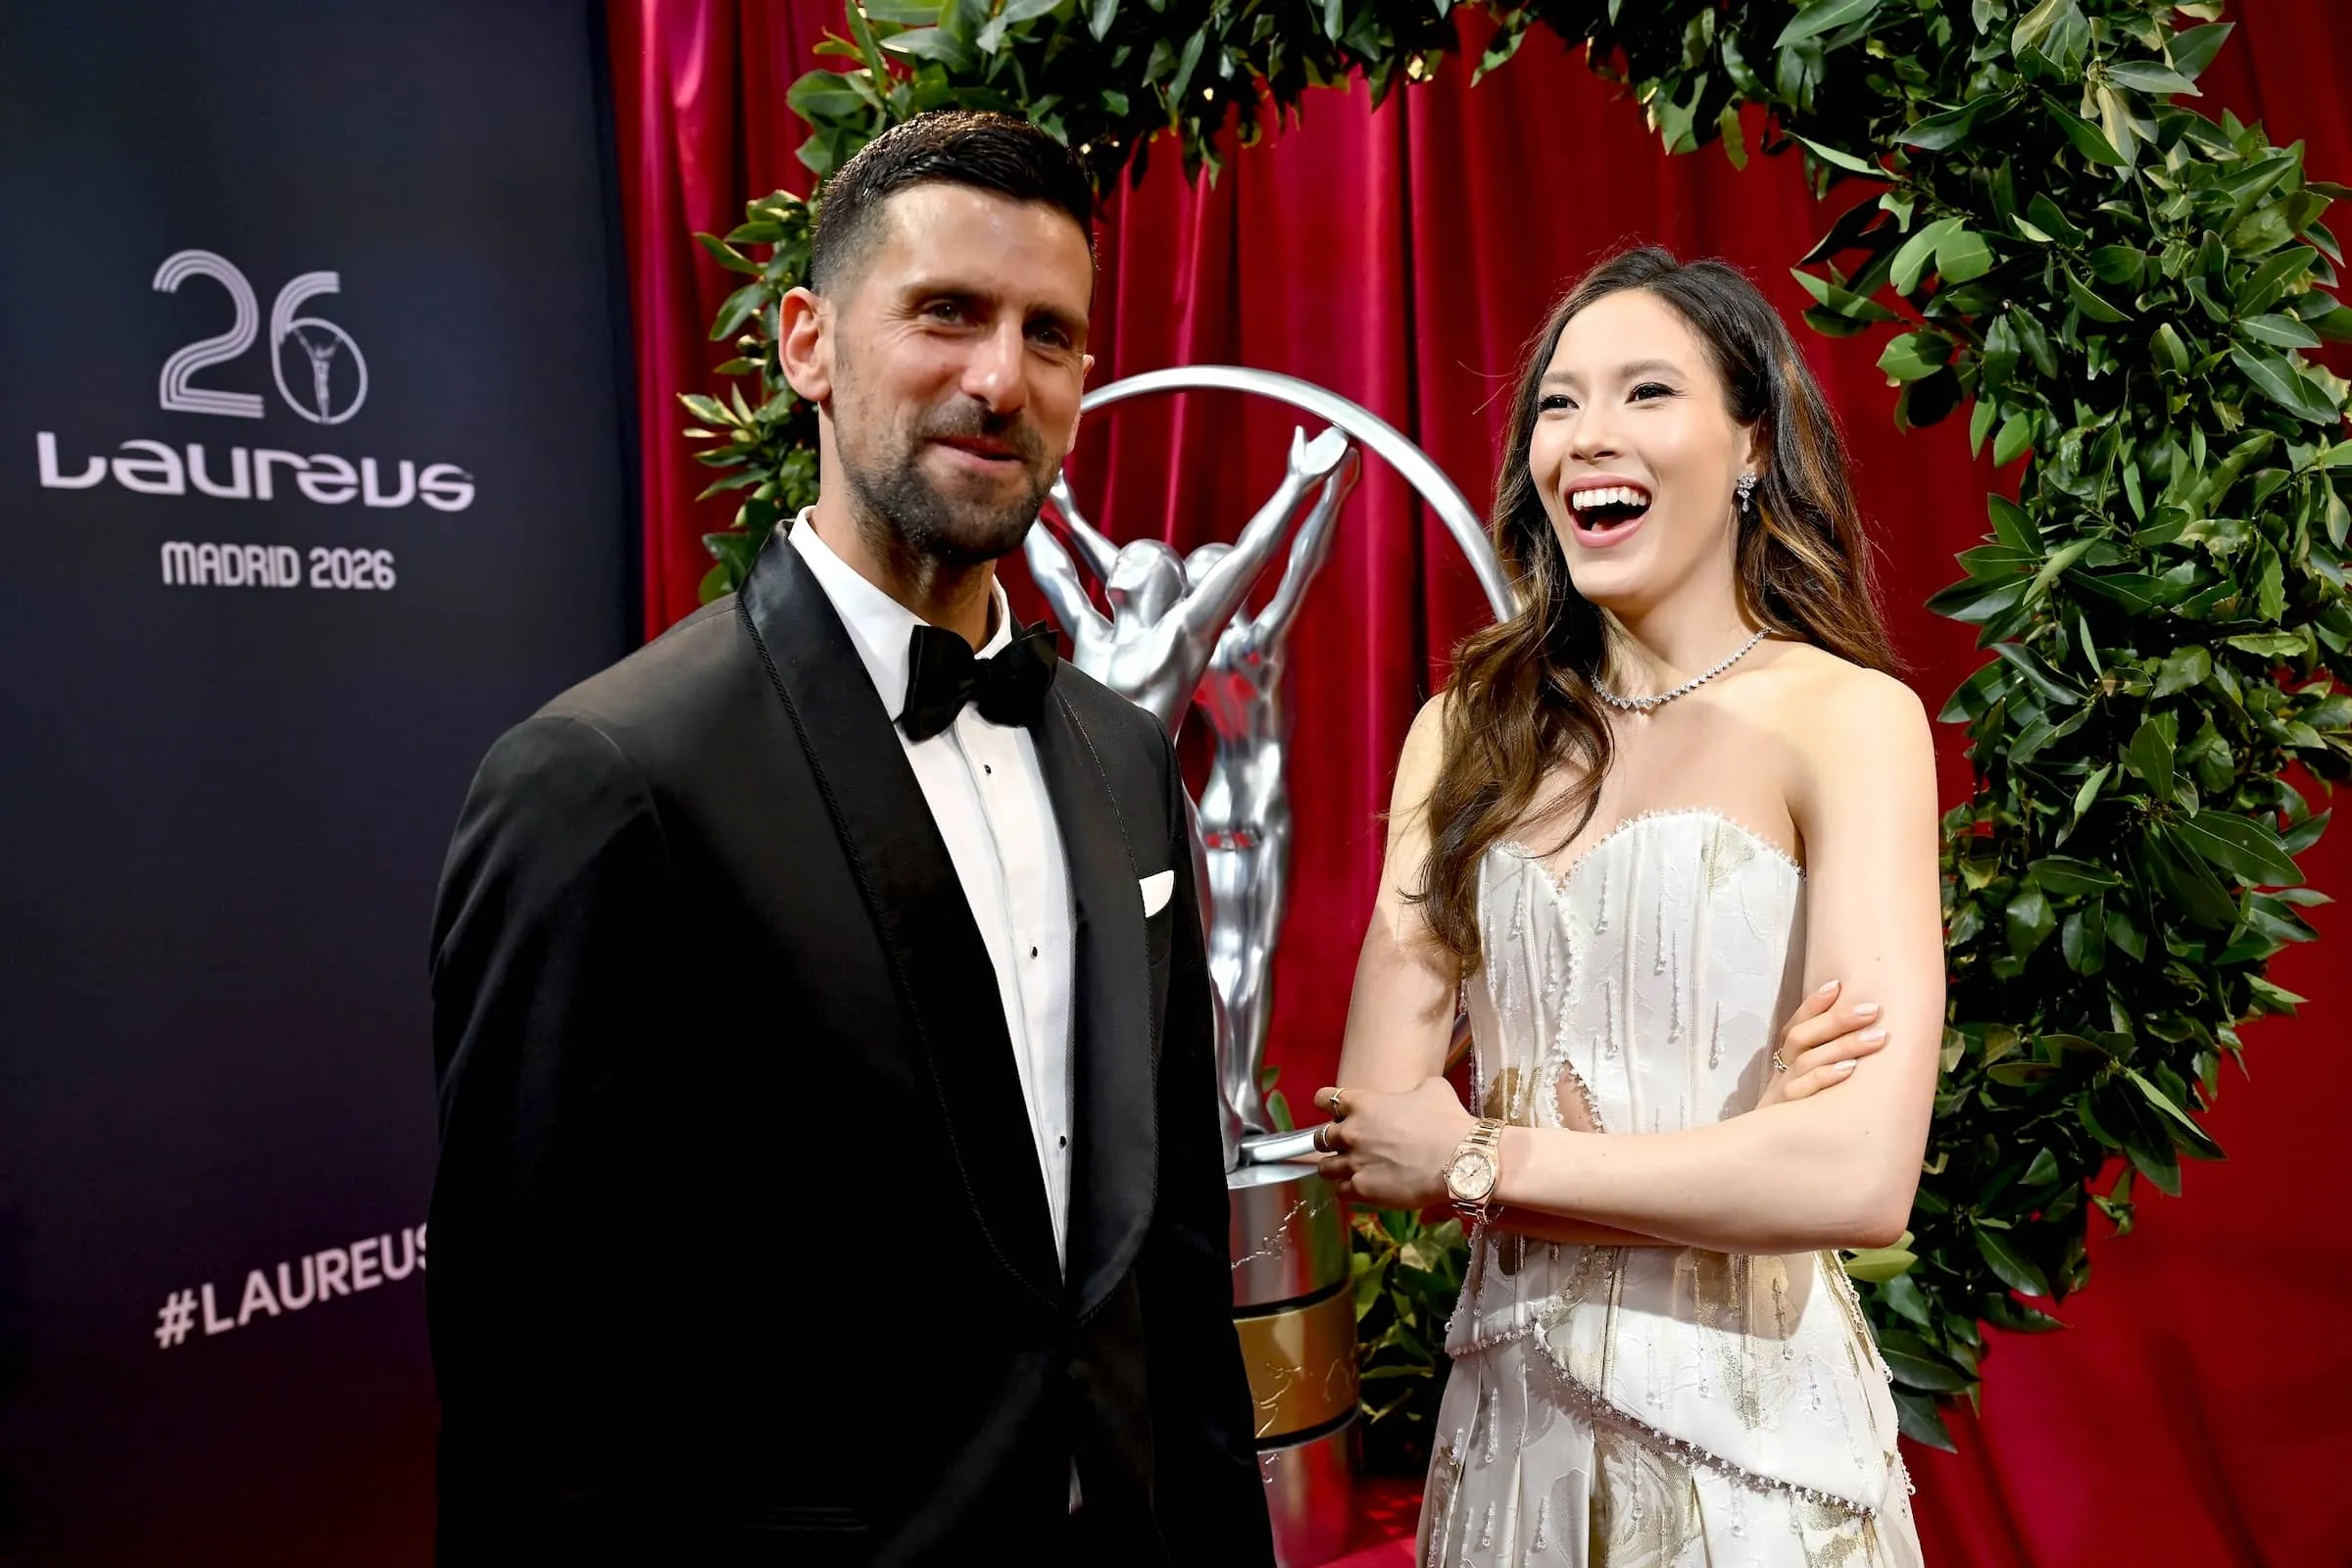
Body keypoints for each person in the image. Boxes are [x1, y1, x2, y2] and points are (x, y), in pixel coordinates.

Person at [425, 111, 1273, 1566]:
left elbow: (1174, 1271)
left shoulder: (1126, 759)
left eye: (1050, 334)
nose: (999, 378)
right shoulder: (605, 782)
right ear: (809, 343)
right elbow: (535, 1405)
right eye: (945, 314)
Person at [1312, 247, 1939, 1565]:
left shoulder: (1851, 723)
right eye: (1558, 402)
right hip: (1511, 1447)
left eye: (1647, 391)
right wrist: (1740, 1154)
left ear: (1750, 441)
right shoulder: (1465, 732)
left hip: (1761, 1456)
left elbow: (1858, 1174)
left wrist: (1483, 1160)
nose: (1588, 434)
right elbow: (1380, 1130)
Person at [1030, 437, 1359, 1144]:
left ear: (1160, 586)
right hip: (1087, 824)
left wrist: (1303, 485)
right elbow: (1054, 564)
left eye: (1143, 555)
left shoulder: (1181, 638)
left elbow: (1250, 561)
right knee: (1087, 966)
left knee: (1191, 965)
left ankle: (1215, 1104)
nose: (1128, 555)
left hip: (1158, 822)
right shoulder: (1092, 635)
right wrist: (1030, 490)